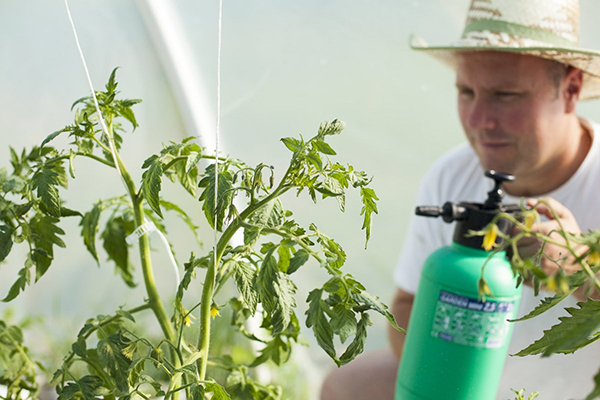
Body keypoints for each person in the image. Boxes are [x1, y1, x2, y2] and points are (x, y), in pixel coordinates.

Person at [320, 0, 600, 399]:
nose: (477, 120)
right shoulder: (452, 175)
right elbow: (406, 308)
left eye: (505, 95)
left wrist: (578, 267)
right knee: (348, 386)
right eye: (466, 91)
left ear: (570, 89)